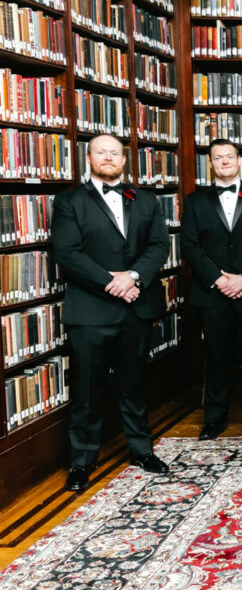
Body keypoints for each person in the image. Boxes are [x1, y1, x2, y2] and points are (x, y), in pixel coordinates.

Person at [52, 134, 171, 492]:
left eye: (114, 152)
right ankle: (81, 461)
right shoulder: (69, 201)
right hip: (90, 312)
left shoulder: (146, 200)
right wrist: (111, 282)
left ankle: (140, 449)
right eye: (101, 152)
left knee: (135, 384)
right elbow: (67, 253)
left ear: (124, 159)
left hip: (136, 308)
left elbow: (159, 245)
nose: (108, 157)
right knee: (87, 390)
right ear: (88, 157)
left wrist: (133, 276)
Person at [181, 138, 242, 440]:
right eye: (217, 157)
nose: (224, 162)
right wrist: (219, 279)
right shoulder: (195, 201)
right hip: (212, 293)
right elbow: (190, 246)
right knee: (217, 355)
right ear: (210, 164)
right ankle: (214, 419)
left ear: (239, 160)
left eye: (229, 156)